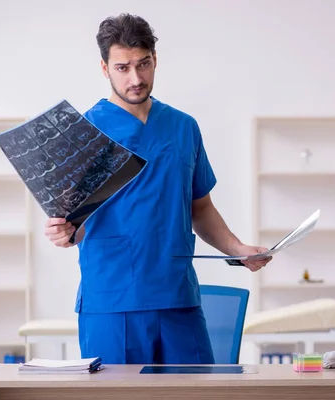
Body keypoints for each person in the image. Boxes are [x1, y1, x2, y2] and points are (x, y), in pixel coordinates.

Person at [43, 13, 272, 365]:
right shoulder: (83, 133)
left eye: (143, 64)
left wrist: (238, 248)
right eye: (122, 68)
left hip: (179, 299)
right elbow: (76, 222)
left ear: (155, 60)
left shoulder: (183, 127)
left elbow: (200, 208)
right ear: (104, 69)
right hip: (112, 302)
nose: (135, 78)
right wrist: (66, 233)